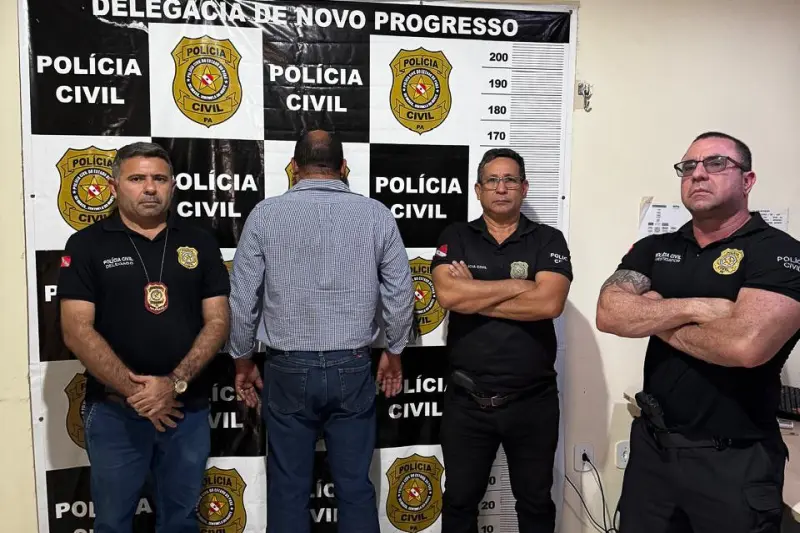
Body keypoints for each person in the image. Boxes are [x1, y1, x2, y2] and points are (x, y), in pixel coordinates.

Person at [596, 131, 800, 533]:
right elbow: (609, 313)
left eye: (716, 163)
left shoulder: (780, 252)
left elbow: (745, 347)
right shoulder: (655, 247)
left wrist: (656, 317)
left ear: (748, 180)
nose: (698, 174)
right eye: (688, 166)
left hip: (734, 461)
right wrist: (697, 308)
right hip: (653, 454)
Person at [227, 129, 414, 533]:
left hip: (287, 368)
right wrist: (394, 351)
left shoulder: (265, 214)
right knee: (355, 487)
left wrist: (242, 360)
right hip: (353, 365)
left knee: (288, 489)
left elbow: (242, 299)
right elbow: (401, 294)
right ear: (344, 167)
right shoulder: (376, 214)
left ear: (294, 167)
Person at [57, 142, 231, 533]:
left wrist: (172, 384)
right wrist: (140, 394)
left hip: (185, 410)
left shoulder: (200, 241)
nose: (150, 188)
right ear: (114, 186)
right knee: (113, 523)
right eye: (137, 178)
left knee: (181, 521)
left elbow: (219, 320)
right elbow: (75, 329)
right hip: (115, 413)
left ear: (172, 186)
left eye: (159, 179)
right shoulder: (86, 244)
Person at [431, 148, 573, 533]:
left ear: (524, 188)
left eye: (510, 180)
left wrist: (475, 294)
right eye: (492, 180)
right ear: (478, 190)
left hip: (532, 402)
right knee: (459, 501)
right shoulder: (457, 236)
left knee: (535, 502)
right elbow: (449, 296)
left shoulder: (548, 239)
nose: (501, 188)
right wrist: (516, 285)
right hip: (467, 402)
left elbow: (549, 303)